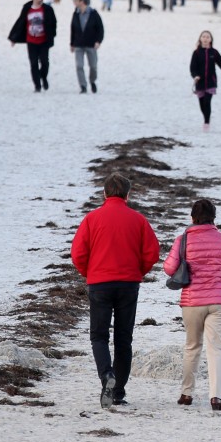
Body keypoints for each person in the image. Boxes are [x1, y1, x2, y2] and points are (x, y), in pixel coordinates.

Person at [71, 173, 160, 408]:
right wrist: (137, 272)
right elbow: (152, 253)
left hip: (99, 283)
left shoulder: (92, 219)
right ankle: (118, 392)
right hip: (128, 284)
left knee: (99, 336)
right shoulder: (138, 220)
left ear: (105, 193)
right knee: (123, 339)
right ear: (128, 195)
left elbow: (78, 254)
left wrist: (89, 273)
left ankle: (106, 376)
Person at [163, 198, 221, 411]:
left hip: (192, 301)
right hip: (218, 300)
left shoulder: (183, 240)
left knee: (192, 347)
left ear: (192, 217)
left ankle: (187, 394)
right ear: (214, 218)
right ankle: (216, 397)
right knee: (216, 348)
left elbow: (170, 269)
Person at [8, 0, 58, 92]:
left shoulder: (48, 9)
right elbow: (20, 22)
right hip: (31, 41)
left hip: (44, 40)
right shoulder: (27, 8)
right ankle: (37, 85)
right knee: (34, 63)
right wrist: (14, 38)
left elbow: (53, 23)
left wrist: (52, 35)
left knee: (45, 62)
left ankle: (43, 77)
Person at [190, 30, 221, 131]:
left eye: (207, 37)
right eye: (203, 37)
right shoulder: (196, 53)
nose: (205, 39)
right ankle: (205, 119)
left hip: (211, 82)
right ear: (200, 39)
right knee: (201, 105)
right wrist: (195, 76)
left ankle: (206, 122)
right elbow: (192, 68)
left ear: (210, 40)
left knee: (207, 102)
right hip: (200, 82)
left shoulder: (214, 52)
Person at [69, 0, 105, 94]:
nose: (74, 2)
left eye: (76, 0)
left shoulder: (93, 14)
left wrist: (98, 41)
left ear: (82, 2)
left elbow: (100, 29)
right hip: (78, 44)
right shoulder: (75, 14)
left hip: (91, 44)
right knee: (79, 66)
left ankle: (92, 81)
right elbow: (73, 29)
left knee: (93, 66)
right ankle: (83, 86)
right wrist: (72, 43)